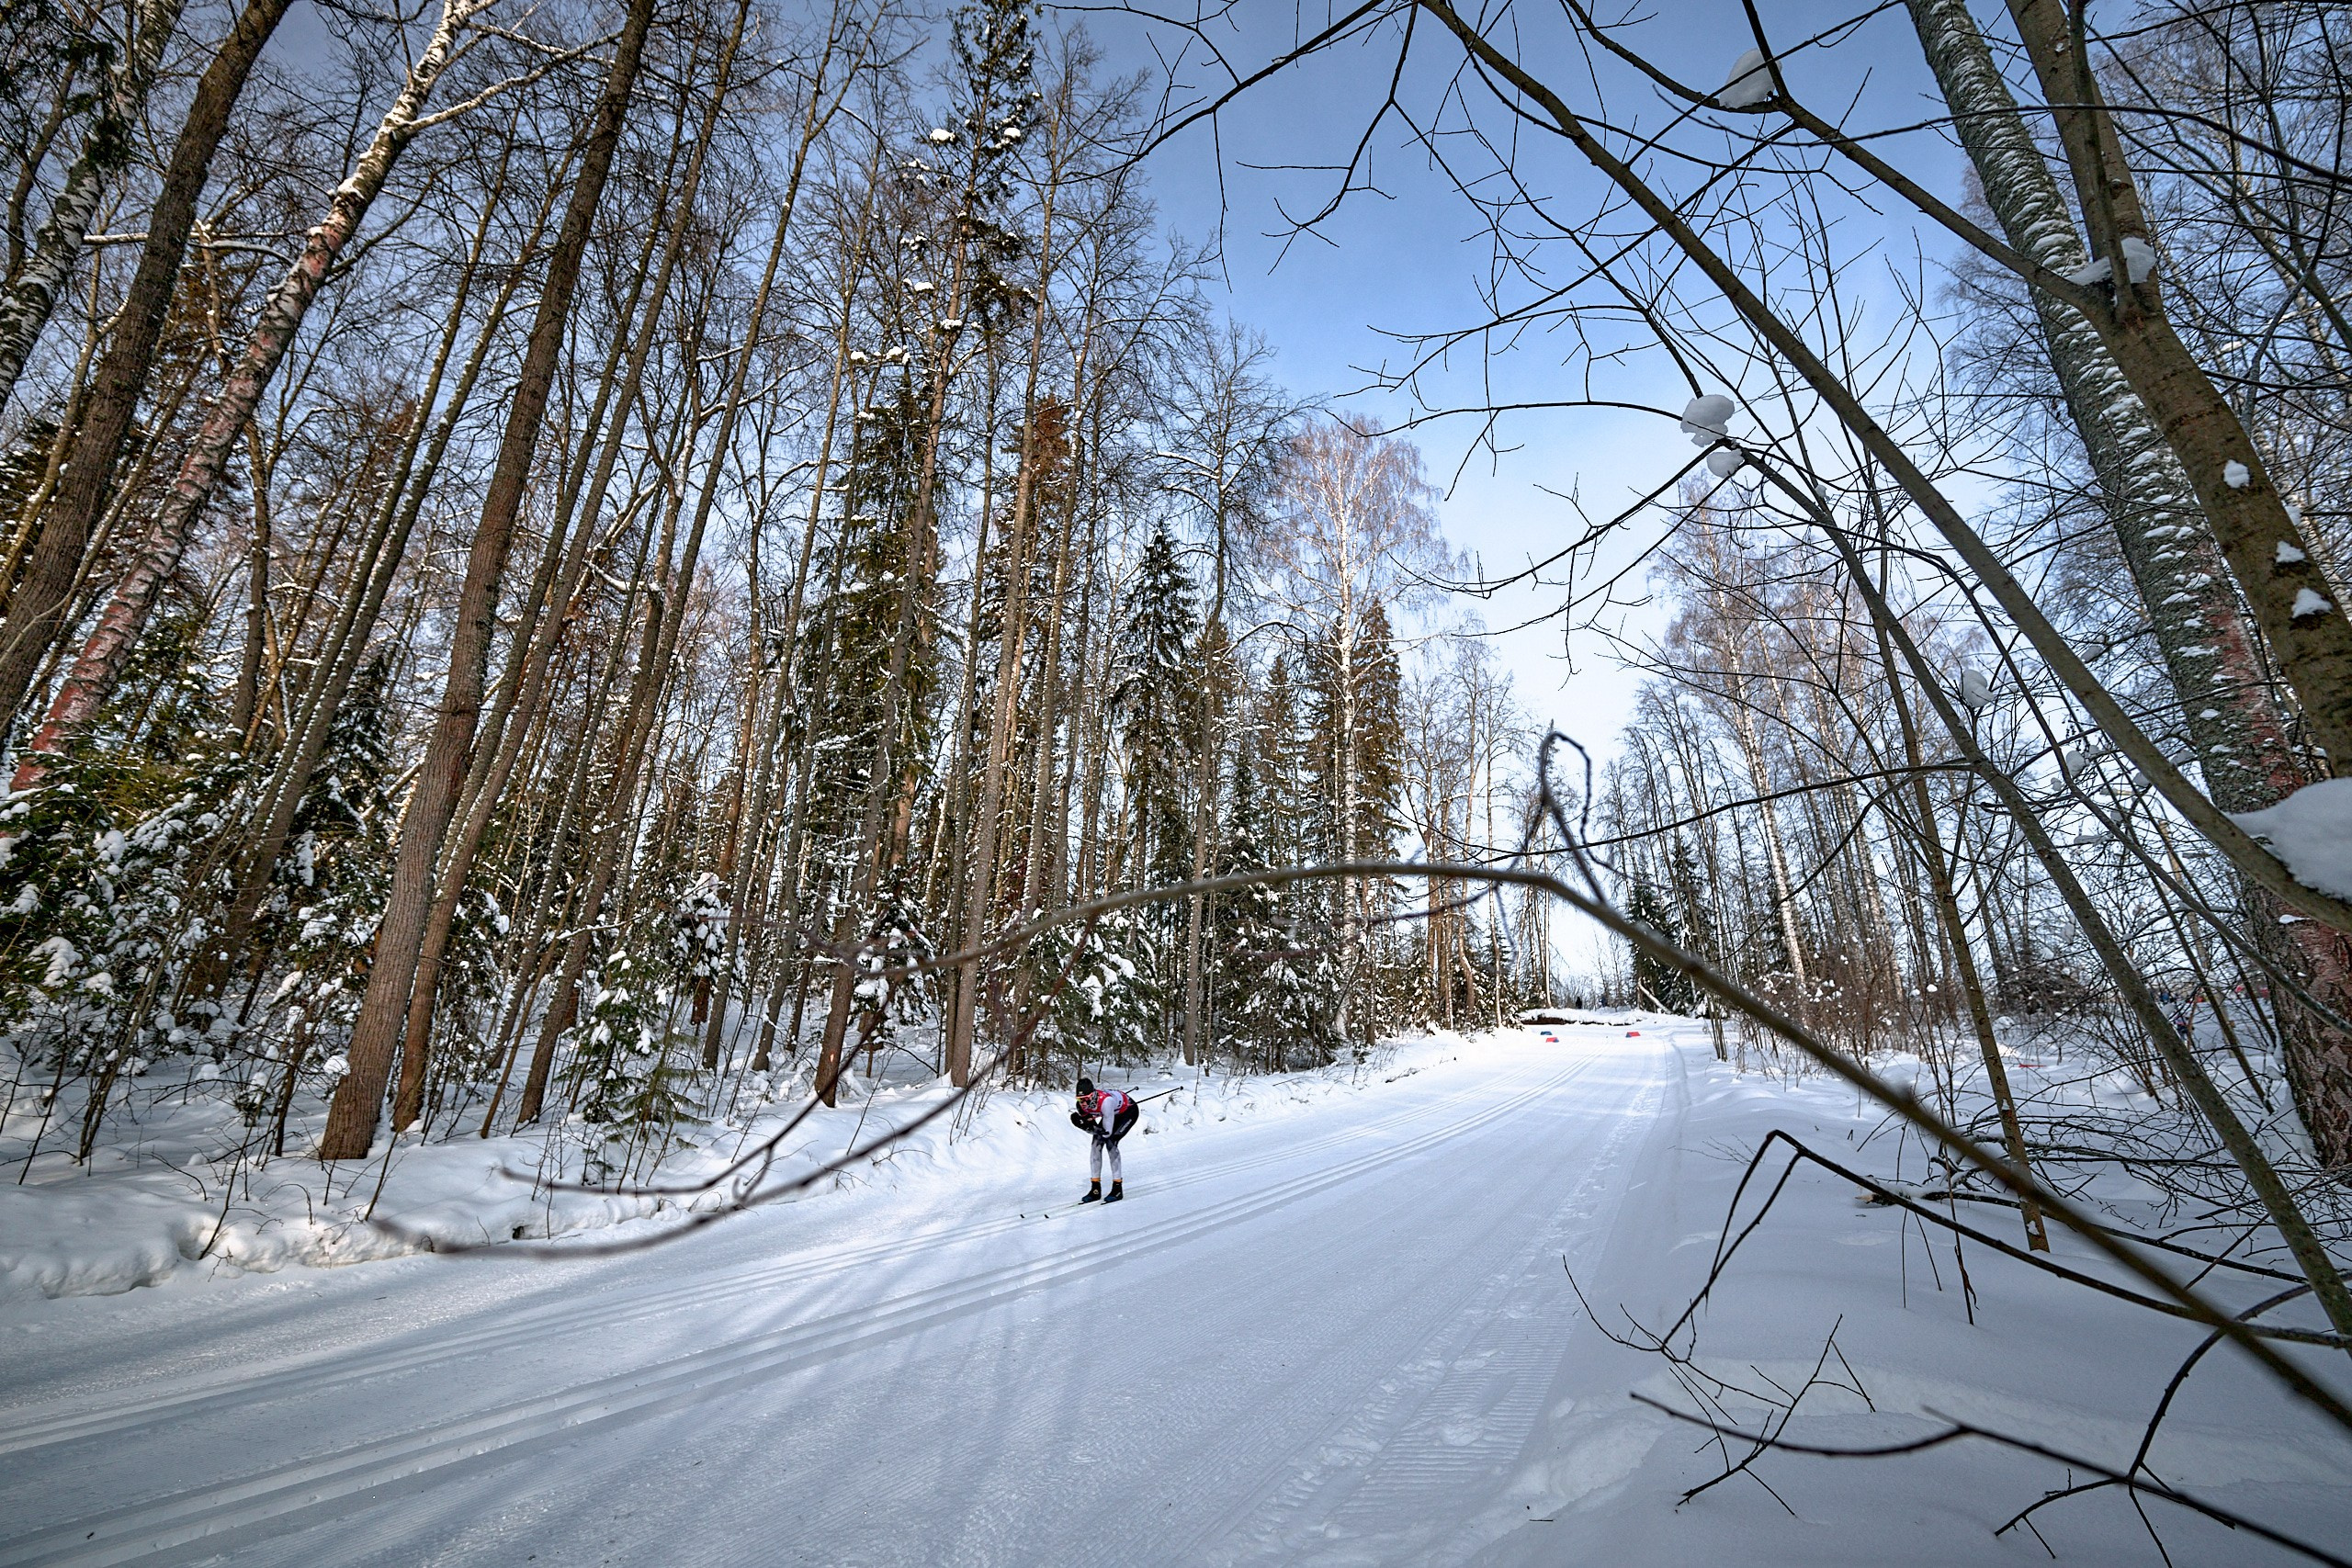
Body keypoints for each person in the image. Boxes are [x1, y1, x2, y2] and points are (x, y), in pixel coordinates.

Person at [1070, 1077, 1137, 1203]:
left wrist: (1089, 1127)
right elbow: (1093, 1127)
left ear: (1093, 1095)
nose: (1083, 1103)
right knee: (1095, 1144)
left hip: (1128, 1112)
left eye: (1085, 1099)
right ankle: (1095, 1189)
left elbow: (1106, 1132)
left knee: (1111, 1142)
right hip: (1112, 1113)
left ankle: (1117, 1188)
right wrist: (1086, 1126)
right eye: (1079, 1099)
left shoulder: (1106, 1102)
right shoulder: (1081, 1106)